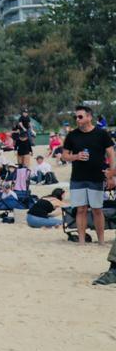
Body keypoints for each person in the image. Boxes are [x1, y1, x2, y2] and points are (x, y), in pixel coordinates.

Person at [61, 104, 116, 249]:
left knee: (97, 209)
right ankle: (81, 241)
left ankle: (102, 241)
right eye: (76, 117)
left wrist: (112, 173)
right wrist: (76, 156)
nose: (77, 119)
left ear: (89, 117)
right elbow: (64, 155)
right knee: (81, 209)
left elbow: (111, 154)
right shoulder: (72, 135)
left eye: (80, 116)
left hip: (97, 177)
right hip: (77, 178)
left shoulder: (101, 134)